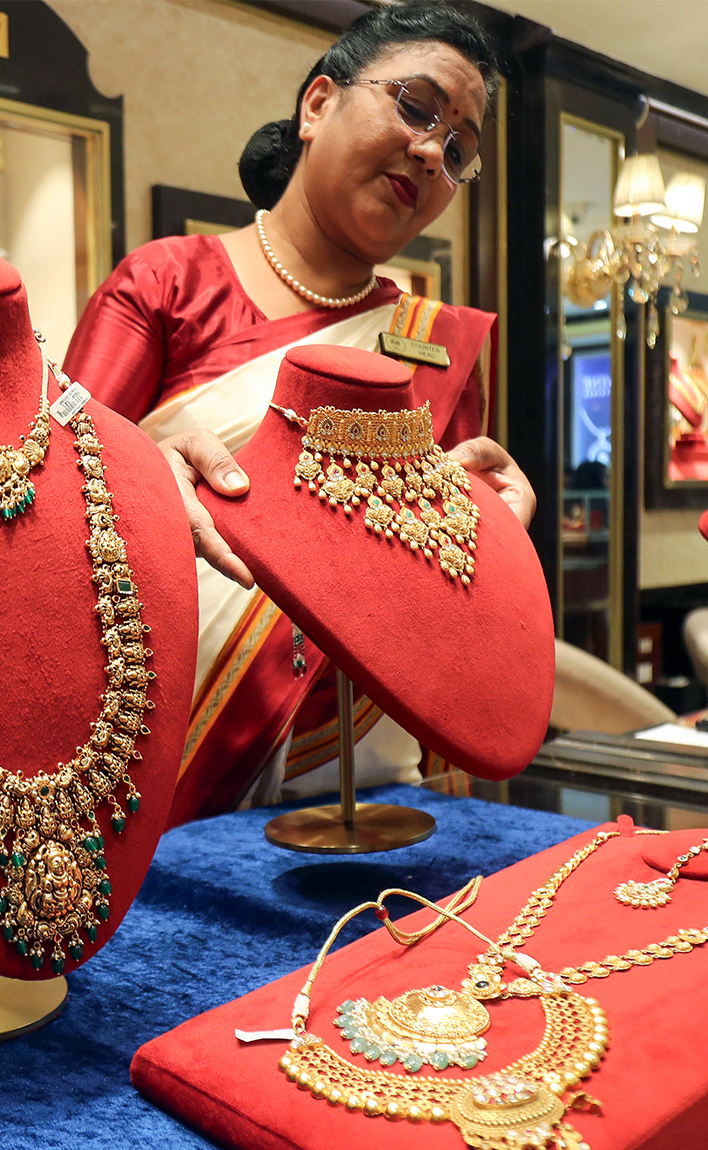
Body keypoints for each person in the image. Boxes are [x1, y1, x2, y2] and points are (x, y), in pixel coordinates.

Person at [63, 0, 535, 826]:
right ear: (318, 104)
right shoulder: (169, 284)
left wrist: (496, 548)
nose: (433, 152)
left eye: (459, 150)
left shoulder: (440, 347)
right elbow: (50, 508)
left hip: (378, 788)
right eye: (416, 107)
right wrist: (143, 474)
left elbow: (443, 606)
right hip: (170, 776)